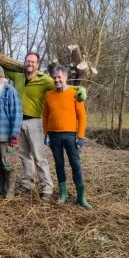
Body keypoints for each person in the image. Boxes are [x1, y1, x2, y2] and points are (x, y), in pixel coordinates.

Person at [4, 52, 86, 201]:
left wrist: (79, 89)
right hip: (17, 122)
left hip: (35, 122)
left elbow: (62, 83)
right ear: (24, 62)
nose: (30, 64)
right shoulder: (17, 76)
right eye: (27, 61)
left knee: (39, 157)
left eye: (33, 62)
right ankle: (27, 183)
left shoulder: (45, 79)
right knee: (24, 156)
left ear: (37, 64)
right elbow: (2, 65)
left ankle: (47, 187)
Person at [43, 66, 91, 209]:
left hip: (71, 136)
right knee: (59, 165)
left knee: (75, 165)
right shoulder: (49, 95)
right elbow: (45, 116)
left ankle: (80, 197)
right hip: (54, 136)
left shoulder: (75, 94)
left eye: (59, 77)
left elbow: (81, 117)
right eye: (54, 77)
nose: (56, 80)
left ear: (66, 78)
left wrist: (80, 136)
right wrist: (46, 134)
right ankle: (63, 193)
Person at [0, 65, 23, 199]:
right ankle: (2, 184)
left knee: (9, 163)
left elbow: (17, 115)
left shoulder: (10, 92)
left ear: (3, 78)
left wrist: (14, 137)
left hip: (6, 136)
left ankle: (10, 189)